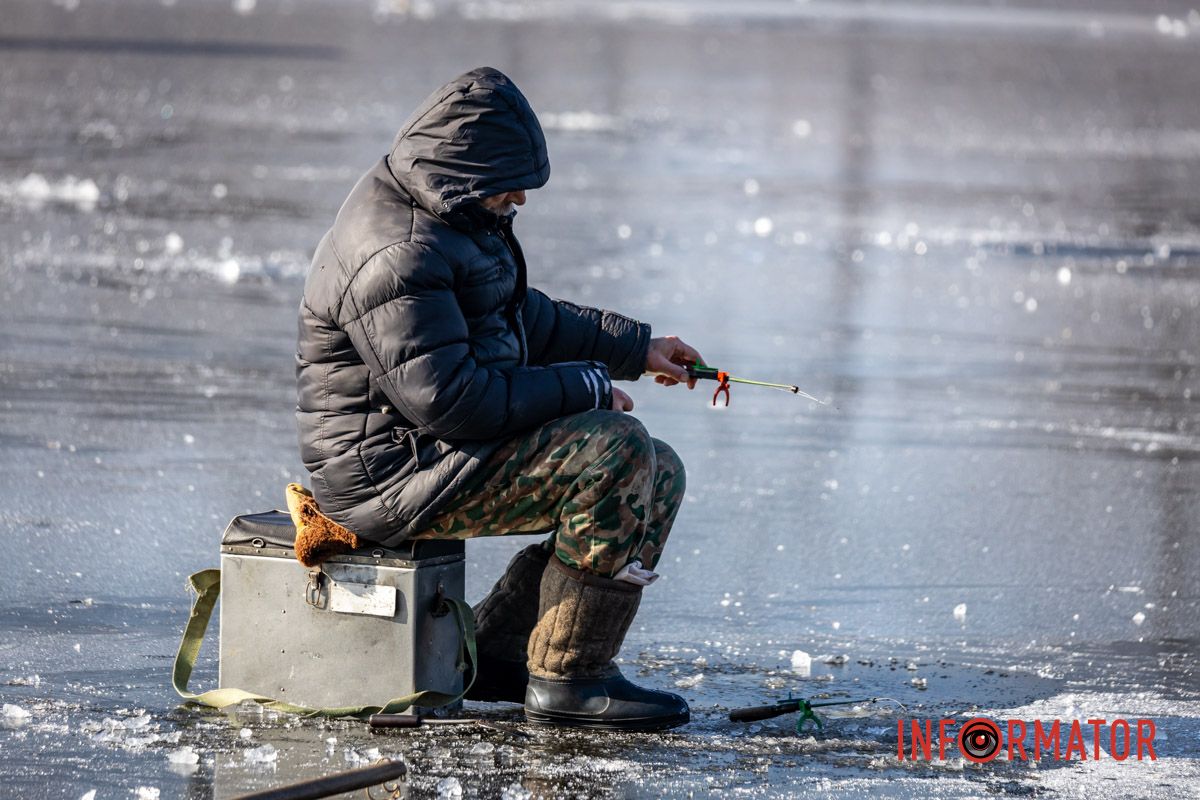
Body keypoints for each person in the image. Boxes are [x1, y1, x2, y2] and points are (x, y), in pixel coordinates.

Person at [295, 67, 704, 731]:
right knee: (615, 455)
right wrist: (589, 386)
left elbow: (518, 319)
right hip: (390, 473)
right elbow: (453, 400)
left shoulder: (452, 215)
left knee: (659, 470)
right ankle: (569, 680)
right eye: (510, 181)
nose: (520, 195)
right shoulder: (393, 252)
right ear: (465, 167)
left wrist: (638, 347)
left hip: (433, 448)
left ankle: (505, 652)